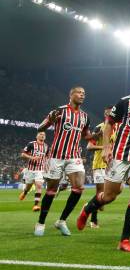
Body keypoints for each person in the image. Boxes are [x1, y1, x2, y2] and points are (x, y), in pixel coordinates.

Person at [77, 72, 130, 253]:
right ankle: (87, 209)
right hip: (119, 157)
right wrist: (107, 147)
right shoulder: (125, 102)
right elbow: (109, 124)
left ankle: (124, 241)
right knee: (109, 196)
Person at [34, 86, 97, 236]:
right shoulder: (60, 111)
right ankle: (41, 222)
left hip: (74, 156)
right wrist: (50, 122)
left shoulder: (85, 116)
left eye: (84, 93)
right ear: (71, 95)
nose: (82, 95)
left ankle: (62, 221)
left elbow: (85, 135)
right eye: (79, 93)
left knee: (79, 187)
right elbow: (40, 128)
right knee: (51, 190)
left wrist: (96, 135)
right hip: (56, 156)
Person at [85, 106, 114, 228]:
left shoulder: (118, 128)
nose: (109, 116)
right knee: (100, 193)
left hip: (112, 166)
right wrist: (105, 148)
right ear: (104, 114)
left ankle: (88, 207)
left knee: (107, 197)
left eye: (111, 114)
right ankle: (93, 220)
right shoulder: (99, 128)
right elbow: (89, 147)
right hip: (99, 165)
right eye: (107, 114)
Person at [19, 131, 48, 211]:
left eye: (44, 135)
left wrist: (47, 166)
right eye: (40, 134)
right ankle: (25, 192)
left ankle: (36, 205)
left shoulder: (46, 146)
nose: (42, 136)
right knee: (28, 186)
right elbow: (23, 154)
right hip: (30, 169)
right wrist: (32, 158)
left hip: (40, 169)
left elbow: (47, 157)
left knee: (39, 185)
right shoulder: (31, 144)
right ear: (37, 136)